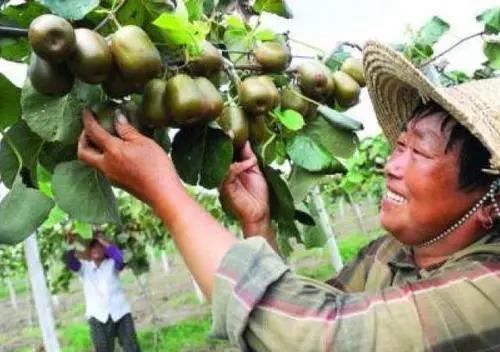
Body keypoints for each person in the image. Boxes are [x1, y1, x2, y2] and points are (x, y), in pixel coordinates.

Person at [76, 41, 500, 351]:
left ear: (491, 199)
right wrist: (257, 225)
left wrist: (165, 192)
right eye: (400, 145)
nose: (391, 164)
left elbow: (314, 336)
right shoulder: (390, 253)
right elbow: (302, 310)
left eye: (420, 151)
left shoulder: (491, 291)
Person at [65, 231, 141, 352]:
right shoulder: (85, 268)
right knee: (103, 349)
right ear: (89, 250)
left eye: (100, 246)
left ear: (105, 250)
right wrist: (69, 244)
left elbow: (121, 259)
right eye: (93, 246)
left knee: (132, 347)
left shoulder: (112, 264)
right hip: (97, 316)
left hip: (120, 312)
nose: (97, 249)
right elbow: (71, 263)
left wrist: (102, 240)